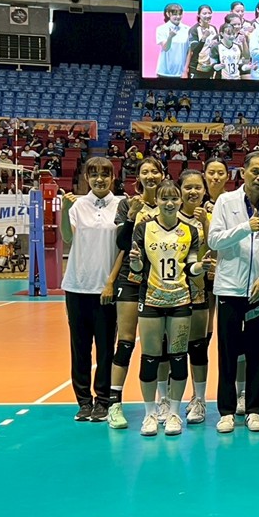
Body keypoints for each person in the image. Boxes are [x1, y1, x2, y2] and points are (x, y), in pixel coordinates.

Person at [130, 180, 211, 436]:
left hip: (180, 301)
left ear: (179, 201)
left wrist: (201, 267)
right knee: (150, 358)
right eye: (164, 198)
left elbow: (190, 266)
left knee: (178, 357)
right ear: (157, 201)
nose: (169, 203)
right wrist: (135, 262)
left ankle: (175, 413)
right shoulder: (144, 228)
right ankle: (150, 414)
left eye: (174, 198)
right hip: (151, 300)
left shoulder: (190, 230)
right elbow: (137, 269)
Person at [207, 152, 259, 433]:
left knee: (257, 352)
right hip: (229, 288)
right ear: (243, 173)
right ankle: (226, 411)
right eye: (255, 171)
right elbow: (214, 240)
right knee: (227, 352)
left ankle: (253, 410)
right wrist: (244, 228)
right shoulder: (225, 202)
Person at [60, 158, 122, 422]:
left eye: (105, 174)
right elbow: (67, 237)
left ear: (113, 178)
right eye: (94, 174)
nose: (99, 179)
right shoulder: (77, 205)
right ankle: (84, 401)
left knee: (106, 349)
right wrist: (65, 209)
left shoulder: (121, 205)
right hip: (77, 286)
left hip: (106, 289)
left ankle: (103, 400)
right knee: (80, 348)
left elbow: (123, 246)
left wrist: (111, 282)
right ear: (86, 178)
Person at [107, 157, 164, 430]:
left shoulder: (169, 203)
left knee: (159, 344)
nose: (150, 176)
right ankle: (114, 404)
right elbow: (121, 243)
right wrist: (131, 216)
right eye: (145, 172)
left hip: (160, 279)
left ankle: (161, 403)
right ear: (138, 177)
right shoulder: (127, 204)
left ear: (162, 175)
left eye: (154, 171)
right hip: (131, 278)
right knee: (126, 342)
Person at [178, 171, 213, 425]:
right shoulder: (168, 216)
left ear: (204, 190)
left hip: (199, 288)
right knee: (172, 347)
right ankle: (167, 400)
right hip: (171, 290)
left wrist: (206, 224)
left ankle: (199, 399)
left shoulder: (209, 218)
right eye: (188, 187)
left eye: (197, 187)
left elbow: (214, 250)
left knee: (198, 345)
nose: (193, 192)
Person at [155, 3, 190, 78]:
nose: (178, 17)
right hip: (164, 72)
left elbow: (189, 51)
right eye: (175, 14)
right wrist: (170, 37)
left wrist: (185, 70)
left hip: (181, 73)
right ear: (168, 14)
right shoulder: (161, 29)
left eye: (180, 14)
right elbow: (165, 48)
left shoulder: (187, 29)